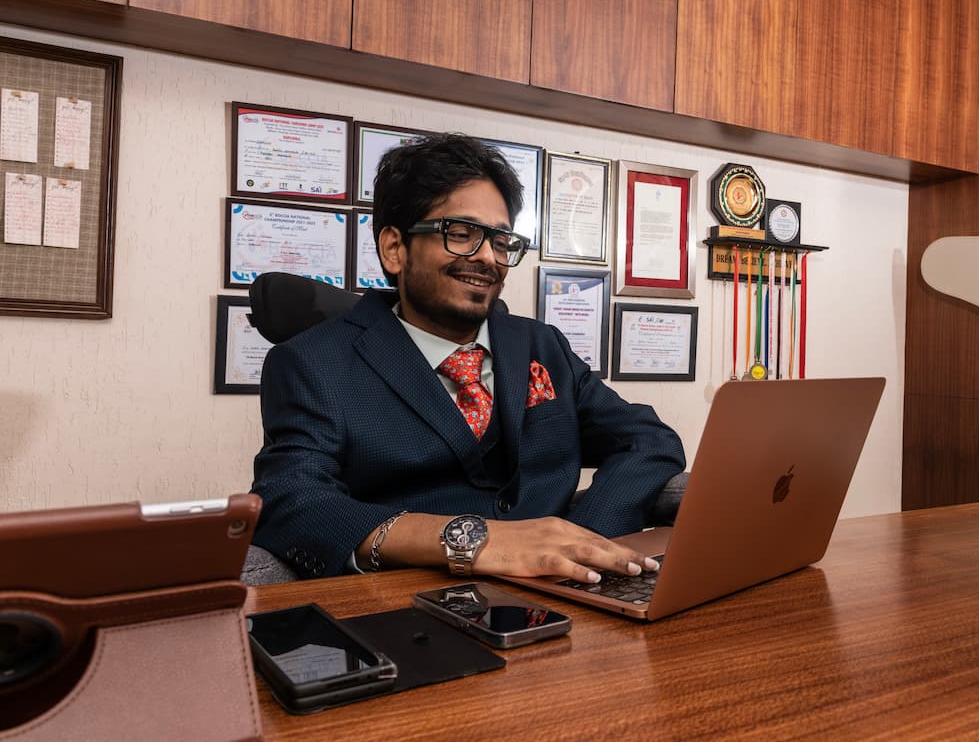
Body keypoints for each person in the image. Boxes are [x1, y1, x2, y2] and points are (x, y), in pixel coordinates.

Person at [251, 133, 686, 582]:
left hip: (567, 593)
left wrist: (578, 540)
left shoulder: (542, 345)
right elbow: (292, 499)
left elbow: (648, 440)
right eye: (460, 234)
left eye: (500, 241)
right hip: (416, 607)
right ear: (394, 248)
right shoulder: (310, 362)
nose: (486, 258)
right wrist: (472, 540)